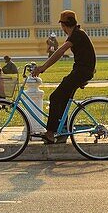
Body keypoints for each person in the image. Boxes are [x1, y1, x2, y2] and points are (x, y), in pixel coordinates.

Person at [32, 10, 96, 144]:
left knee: (55, 97)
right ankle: (63, 131)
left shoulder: (76, 35)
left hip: (81, 72)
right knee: (63, 98)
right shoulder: (78, 33)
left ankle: (50, 133)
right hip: (82, 71)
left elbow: (60, 51)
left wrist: (43, 67)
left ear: (63, 25)